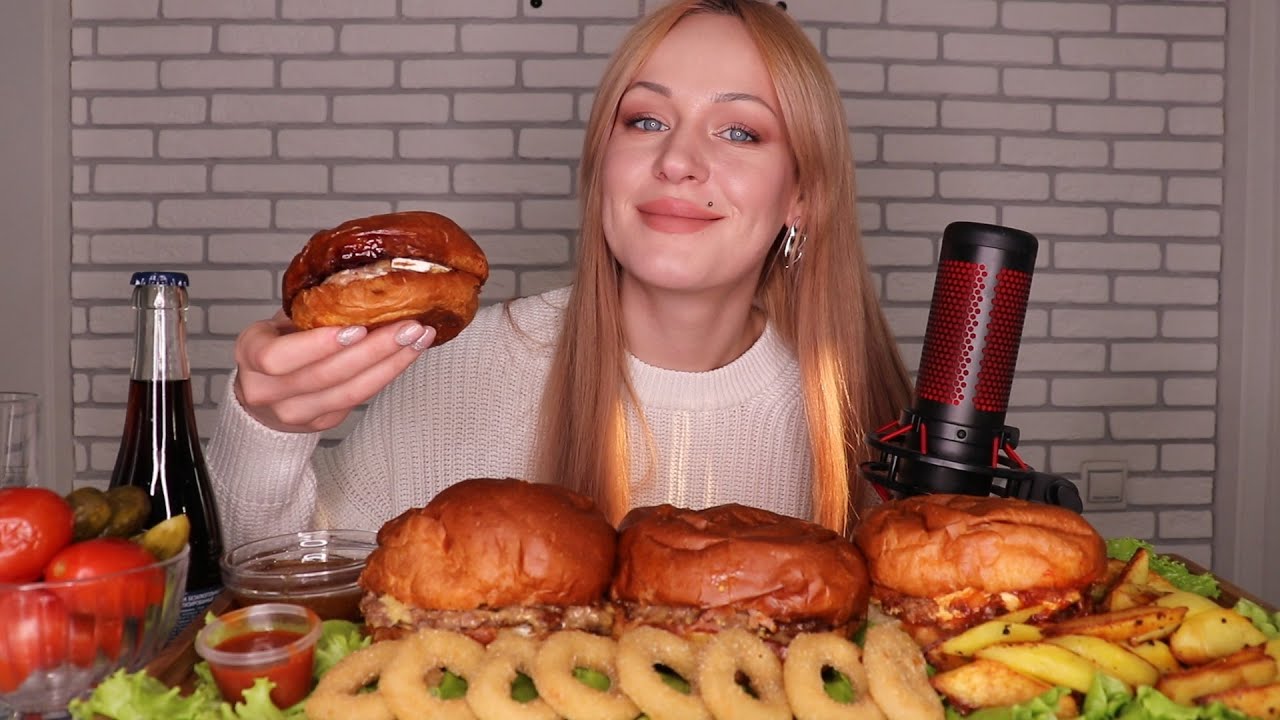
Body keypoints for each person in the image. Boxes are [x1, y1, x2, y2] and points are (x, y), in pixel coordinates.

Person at [206, 0, 912, 549]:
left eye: (739, 131)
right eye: (644, 121)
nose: (676, 161)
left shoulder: (864, 416)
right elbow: (276, 581)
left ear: (801, 196)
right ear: (601, 164)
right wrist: (268, 429)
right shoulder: (459, 365)